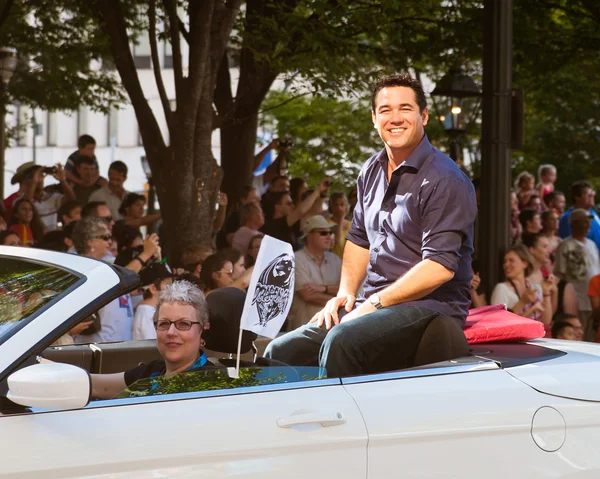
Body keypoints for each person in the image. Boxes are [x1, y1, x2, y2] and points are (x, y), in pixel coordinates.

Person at [264, 74, 477, 377]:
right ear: (374, 118)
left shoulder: (445, 179)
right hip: (374, 303)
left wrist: (372, 305)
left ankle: (340, 421)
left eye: (405, 108)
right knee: (281, 351)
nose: (395, 118)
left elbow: (440, 267)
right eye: (386, 110)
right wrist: (346, 292)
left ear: (424, 116)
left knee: (342, 341)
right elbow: (359, 239)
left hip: (429, 306)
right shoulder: (371, 170)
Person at [89, 281, 216, 399]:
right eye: (164, 323)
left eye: (183, 324)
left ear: (203, 330)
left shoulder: (211, 383)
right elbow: (94, 386)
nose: (171, 332)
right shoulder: (153, 371)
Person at [71, 216, 134, 343]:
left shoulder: (109, 264)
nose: (110, 242)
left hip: (121, 344)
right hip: (97, 347)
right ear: (90, 241)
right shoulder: (81, 269)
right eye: (105, 237)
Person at [287, 216, 342, 331]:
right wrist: (338, 300)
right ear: (309, 235)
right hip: (302, 328)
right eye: (323, 233)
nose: (329, 236)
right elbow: (308, 295)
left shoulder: (336, 260)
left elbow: (346, 291)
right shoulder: (295, 259)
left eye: (330, 233)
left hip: (332, 329)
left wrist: (323, 288)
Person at [554, 208, 600, 341]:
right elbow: (560, 273)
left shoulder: (592, 244)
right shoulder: (565, 245)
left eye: (589, 222)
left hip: (593, 301)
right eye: (584, 222)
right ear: (574, 224)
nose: (588, 225)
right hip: (576, 301)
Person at [261, 179, 331, 250]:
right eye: (289, 204)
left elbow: (314, 210)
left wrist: (323, 193)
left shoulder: (292, 224)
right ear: (278, 207)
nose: (293, 206)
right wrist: (318, 190)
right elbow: (300, 211)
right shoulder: (274, 225)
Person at [490, 246, 552, 325]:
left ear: (524, 264)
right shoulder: (501, 288)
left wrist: (546, 292)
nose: (506, 264)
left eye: (511, 260)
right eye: (505, 261)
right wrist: (523, 302)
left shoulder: (536, 288)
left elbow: (546, 321)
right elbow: (498, 322)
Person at [132, 263, 174, 340]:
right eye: (168, 284)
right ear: (153, 288)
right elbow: (154, 345)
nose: (172, 288)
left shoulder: (152, 310)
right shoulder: (146, 312)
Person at [558, 181, 600, 251]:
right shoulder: (568, 217)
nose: (592, 197)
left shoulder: (593, 213)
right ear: (577, 197)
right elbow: (569, 246)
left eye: (593, 194)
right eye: (589, 195)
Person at [327, 192, 352, 259]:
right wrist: (340, 219)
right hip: (332, 261)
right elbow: (337, 241)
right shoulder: (326, 223)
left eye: (342, 205)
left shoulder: (351, 225)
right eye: (336, 205)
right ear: (331, 207)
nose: (339, 208)